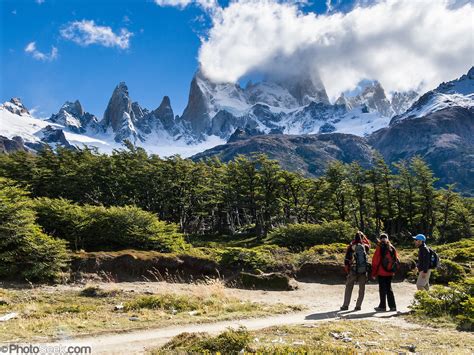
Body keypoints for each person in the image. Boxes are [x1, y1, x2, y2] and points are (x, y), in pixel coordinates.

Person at [340, 231, 371, 311]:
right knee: (361, 288)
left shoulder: (351, 246)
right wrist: (365, 238)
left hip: (353, 270)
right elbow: (369, 245)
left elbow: (346, 260)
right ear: (363, 238)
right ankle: (358, 306)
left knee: (349, 287)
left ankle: (345, 305)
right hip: (363, 270)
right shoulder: (365, 246)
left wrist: (347, 270)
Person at [371, 233, 399, 312]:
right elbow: (396, 260)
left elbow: (375, 262)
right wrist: (393, 270)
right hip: (390, 272)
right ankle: (393, 306)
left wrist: (373, 273)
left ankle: (382, 306)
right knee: (389, 289)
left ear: (380, 239)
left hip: (381, 272)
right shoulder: (392, 248)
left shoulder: (379, 248)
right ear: (387, 239)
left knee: (382, 289)